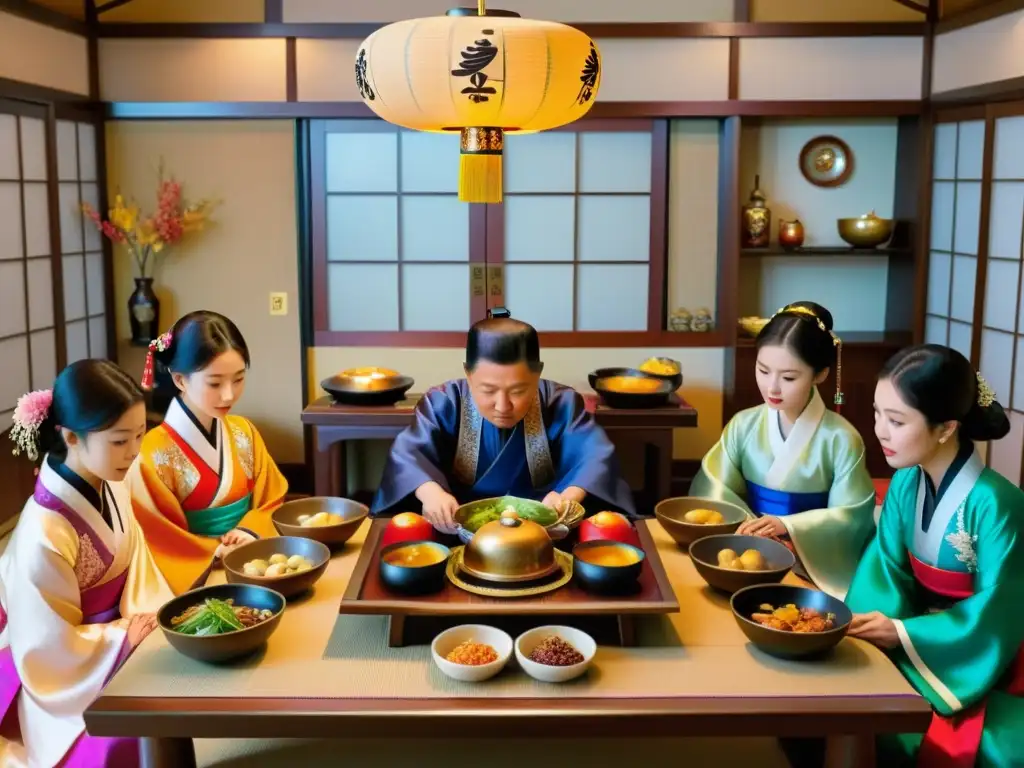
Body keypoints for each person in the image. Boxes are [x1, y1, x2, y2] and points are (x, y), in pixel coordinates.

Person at [846, 344, 1024, 767]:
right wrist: (877, 628)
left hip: (983, 662)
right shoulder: (906, 484)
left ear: (946, 428)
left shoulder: (998, 505)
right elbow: (885, 570)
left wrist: (905, 635)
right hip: (919, 644)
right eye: (876, 413)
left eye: (896, 420)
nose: (879, 431)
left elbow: (998, 610)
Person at [0, 360, 172, 768]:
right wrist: (120, 642)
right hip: (68, 672)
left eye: (140, 435)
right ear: (71, 437)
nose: (134, 453)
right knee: (133, 738)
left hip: (119, 638)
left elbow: (138, 568)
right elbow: (47, 645)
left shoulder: (112, 483)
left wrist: (148, 620)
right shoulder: (43, 530)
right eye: (118, 441)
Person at [372, 309, 635, 532]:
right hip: (457, 525)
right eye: (488, 390)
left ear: (538, 374)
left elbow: (594, 455)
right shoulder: (444, 402)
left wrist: (568, 497)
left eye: (519, 391)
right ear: (468, 373)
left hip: (543, 527)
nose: (502, 405)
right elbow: (408, 454)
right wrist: (431, 493)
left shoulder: (560, 402)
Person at [689, 301, 876, 599]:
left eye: (789, 377)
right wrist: (749, 526)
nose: (772, 387)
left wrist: (787, 526)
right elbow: (714, 486)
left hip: (811, 558)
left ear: (820, 375)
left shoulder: (841, 438)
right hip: (745, 546)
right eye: (763, 371)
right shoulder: (743, 424)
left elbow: (850, 518)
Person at [127, 311, 288, 595]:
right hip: (196, 578)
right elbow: (159, 535)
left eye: (238, 379)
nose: (229, 395)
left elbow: (272, 496)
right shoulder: (152, 453)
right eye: (215, 383)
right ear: (180, 380)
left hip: (254, 559)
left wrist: (250, 530)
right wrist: (213, 551)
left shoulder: (244, 432)